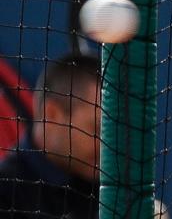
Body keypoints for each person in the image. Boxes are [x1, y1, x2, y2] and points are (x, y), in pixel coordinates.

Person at [0, 52, 101, 218]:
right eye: (96, 129)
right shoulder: (5, 193)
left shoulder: (111, 189)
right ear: (52, 113)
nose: (107, 146)